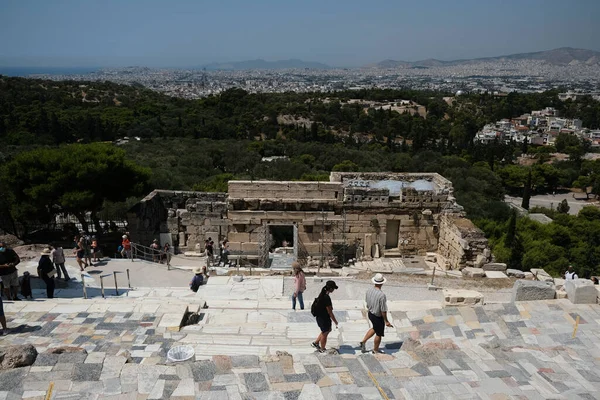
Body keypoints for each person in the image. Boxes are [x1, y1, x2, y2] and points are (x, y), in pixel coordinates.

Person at [360, 273, 393, 354]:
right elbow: (383, 310)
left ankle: (363, 341)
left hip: (370, 313)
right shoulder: (382, 295)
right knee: (379, 333)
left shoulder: (369, 291)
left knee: (375, 328)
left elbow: (367, 302)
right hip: (377, 316)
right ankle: (375, 350)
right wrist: (386, 321)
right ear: (382, 283)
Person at [311, 280, 339, 353]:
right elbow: (330, 312)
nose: (334, 290)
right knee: (325, 332)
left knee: (327, 330)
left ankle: (316, 343)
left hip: (320, 317)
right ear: (330, 288)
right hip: (323, 318)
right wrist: (335, 321)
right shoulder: (326, 297)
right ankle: (322, 349)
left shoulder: (323, 293)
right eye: (333, 288)